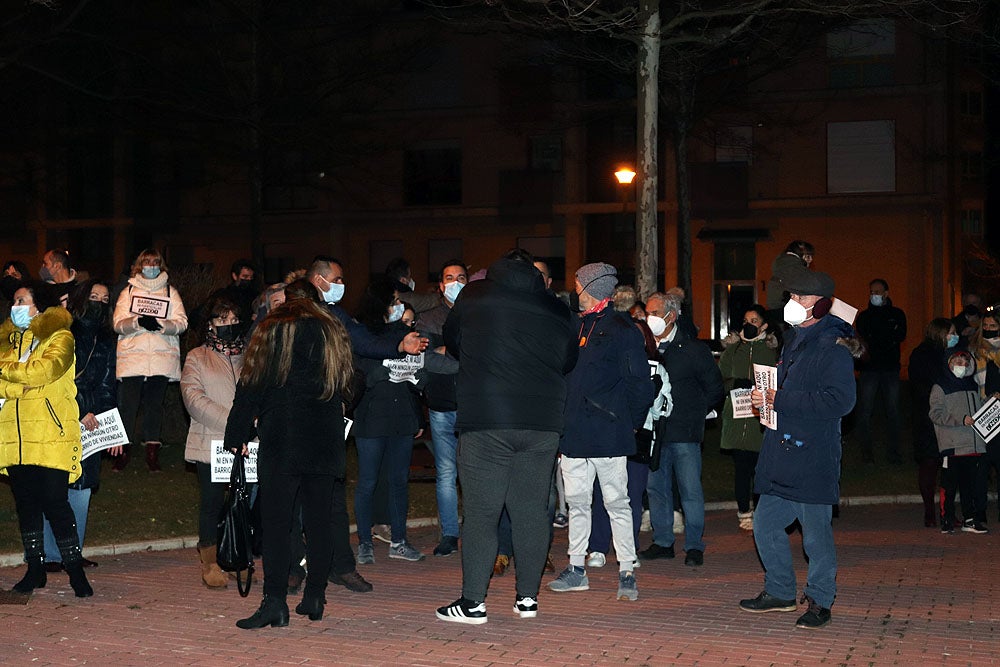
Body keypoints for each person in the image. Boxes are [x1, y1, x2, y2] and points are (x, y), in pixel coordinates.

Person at [435, 249, 577, 624]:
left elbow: (454, 339)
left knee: (482, 513)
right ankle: (527, 599)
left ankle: (473, 603)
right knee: (531, 511)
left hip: (488, 419)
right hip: (543, 421)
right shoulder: (557, 307)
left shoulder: (475, 295)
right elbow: (568, 361)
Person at [224, 288, 355, 629]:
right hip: (324, 437)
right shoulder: (332, 330)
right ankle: (315, 595)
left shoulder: (272, 328)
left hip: (283, 437)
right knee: (320, 519)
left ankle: (275, 602)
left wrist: (236, 433)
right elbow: (351, 380)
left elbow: (250, 383)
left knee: (278, 524)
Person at [739, 266, 857, 630]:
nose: (792, 303)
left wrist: (782, 399)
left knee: (816, 538)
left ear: (821, 306)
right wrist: (766, 401)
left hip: (812, 457)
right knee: (765, 525)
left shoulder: (833, 348)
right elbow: (786, 393)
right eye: (791, 296)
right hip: (781, 455)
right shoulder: (794, 340)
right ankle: (780, 591)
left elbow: (841, 401)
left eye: (800, 298)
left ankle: (820, 600)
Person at [548, 263, 652, 601]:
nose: (573, 289)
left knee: (617, 503)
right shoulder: (574, 325)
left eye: (577, 283)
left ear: (590, 286)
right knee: (577, 504)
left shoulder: (622, 328)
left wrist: (630, 422)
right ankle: (576, 569)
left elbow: (640, 385)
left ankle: (626, 571)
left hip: (608, 433)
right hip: (575, 433)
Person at [0, 281, 93, 597]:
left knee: (56, 503)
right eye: (13, 301)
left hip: (50, 435)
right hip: (16, 436)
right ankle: (35, 568)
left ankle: (75, 569)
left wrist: (7, 376)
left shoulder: (61, 337)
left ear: (39, 304)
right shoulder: (9, 343)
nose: (16, 306)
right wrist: (16, 385)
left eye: (21, 300)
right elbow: (22, 380)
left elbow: (43, 371)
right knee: (26, 505)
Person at [352, 278, 434, 565]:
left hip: (401, 418)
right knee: (368, 481)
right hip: (372, 418)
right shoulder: (363, 335)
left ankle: (399, 540)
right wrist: (384, 368)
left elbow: (421, 376)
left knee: (399, 481)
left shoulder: (405, 332)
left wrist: (416, 379)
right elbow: (358, 377)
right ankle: (364, 541)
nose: (400, 307)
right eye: (394, 302)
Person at [639, 291, 723, 567]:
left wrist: (698, 414)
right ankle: (663, 541)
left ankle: (694, 545)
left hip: (685, 432)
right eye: (646, 313)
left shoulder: (693, 349)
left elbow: (714, 388)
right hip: (655, 433)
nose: (648, 318)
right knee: (656, 489)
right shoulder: (643, 347)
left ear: (670, 316)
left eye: (653, 313)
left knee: (689, 489)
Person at [42, 280, 119, 572]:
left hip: (92, 425)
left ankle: (72, 551)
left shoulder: (105, 339)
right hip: (61, 419)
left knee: (83, 489)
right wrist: (80, 409)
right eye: (94, 296)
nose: (99, 302)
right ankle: (50, 554)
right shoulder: (61, 333)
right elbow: (54, 378)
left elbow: (107, 384)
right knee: (55, 487)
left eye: (105, 297)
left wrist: (111, 427)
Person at [181, 294, 246, 588]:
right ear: (210, 324)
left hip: (246, 445)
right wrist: (234, 423)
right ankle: (210, 561)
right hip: (212, 442)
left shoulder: (249, 356)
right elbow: (194, 400)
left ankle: (234, 554)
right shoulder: (197, 356)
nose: (229, 324)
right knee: (212, 503)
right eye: (222, 319)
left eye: (233, 319)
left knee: (240, 502)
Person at [112, 248, 188, 472]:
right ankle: (122, 452)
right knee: (128, 406)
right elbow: (117, 323)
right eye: (147, 263)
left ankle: (152, 452)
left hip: (161, 358)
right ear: (139, 266)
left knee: (155, 406)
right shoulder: (128, 291)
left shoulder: (169, 291)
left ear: (161, 265)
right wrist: (137, 322)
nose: (151, 267)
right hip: (132, 358)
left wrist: (163, 325)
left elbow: (182, 322)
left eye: (155, 263)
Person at [415, 259, 468, 557]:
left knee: (474, 473)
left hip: (473, 407)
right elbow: (426, 359)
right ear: (440, 284)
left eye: (461, 277)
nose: (455, 282)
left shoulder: (477, 315)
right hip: (441, 406)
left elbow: (479, 357)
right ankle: (450, 533)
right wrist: (456, 356)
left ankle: (475, 530)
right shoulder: (428, 318)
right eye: (449, 277)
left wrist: (446, 350)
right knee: (446, 473)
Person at [718, 305, 778, 531]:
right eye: (745, 320)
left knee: (760, 470)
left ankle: (761, 513)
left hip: (760, 420)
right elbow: (720, 378)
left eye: (754, 321)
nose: (748, 325)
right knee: (742, 469)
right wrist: (736, 383)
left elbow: (778, 380)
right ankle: (744, 511)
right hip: (736, 418)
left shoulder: (770, 352)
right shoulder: (733, 350)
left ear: (764, 326)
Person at [930, 349, 986, 534]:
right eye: (957, 363)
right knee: (949, 484)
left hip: (972, 445)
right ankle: (947, 519)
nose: (961, 367)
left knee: (969, 485)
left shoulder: (973, 385)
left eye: (964, 363)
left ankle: (969, 519)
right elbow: (935, 413)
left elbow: (979, 410)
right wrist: (960, 419)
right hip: (952, 445)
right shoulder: (941, 386)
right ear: (948, 363)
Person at [907, 318, 955, 527]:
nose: (955, 336)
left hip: (930, 416)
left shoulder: (932, 353)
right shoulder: (929, 355)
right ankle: (933, 512)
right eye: (951, 332)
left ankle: (939, 512)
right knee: (932, 464)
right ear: (941, 333)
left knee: (938, 465)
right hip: (932, 417)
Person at [854, 278, 907, 464]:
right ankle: (867, 452)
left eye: (877, 291)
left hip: (890, 368)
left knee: (893, 411)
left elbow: (899, 335)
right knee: (865, 411)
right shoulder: (864, 316)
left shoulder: (897, 314)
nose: (874, 295)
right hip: (869, 370)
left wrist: (879, 337)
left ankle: (894, 452)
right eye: (871, 292)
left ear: (886, 293)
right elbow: (861, 338)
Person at [970, 313, 1000, 527]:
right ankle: (979, 513)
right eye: (986, 325)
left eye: (994, 325)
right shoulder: (975, 351)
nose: (990, 329)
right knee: (980, 468)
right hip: (983, 414)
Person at [765, 240, 814, 314]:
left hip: (776, 308)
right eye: (808, 256)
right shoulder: (794, 266)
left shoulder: (781, 263)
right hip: (784, 309)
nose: (810, 260)